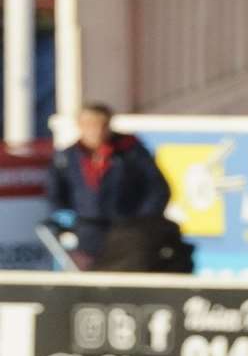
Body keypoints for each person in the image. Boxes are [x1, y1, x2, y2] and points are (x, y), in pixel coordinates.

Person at [45, 102, 170, 269]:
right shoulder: (66, 158)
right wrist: (67, 218)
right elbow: (55, 193)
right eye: (88, 125)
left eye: (100, 125)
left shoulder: (130, 152)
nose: (95, 131)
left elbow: (158, 189)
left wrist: (142, 221)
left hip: (126, 231)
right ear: (79, 126)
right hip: (87, 232)